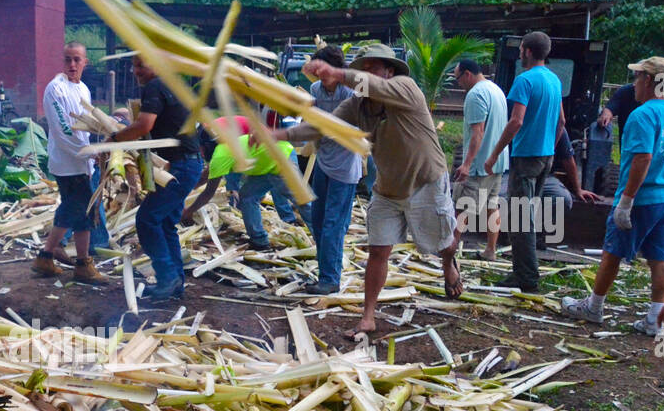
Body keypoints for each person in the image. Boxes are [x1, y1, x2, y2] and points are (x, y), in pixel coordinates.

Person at [277, 44, 462, 337]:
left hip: (425, 182)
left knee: (443, 244)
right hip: (387, 187)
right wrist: (280, 135)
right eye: (362, 67)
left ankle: (449, 264)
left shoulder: (405, 88)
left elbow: (371, 85)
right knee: (378, 251)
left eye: (372, 67)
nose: (365, 73)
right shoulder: (356, 106)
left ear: (389, 71)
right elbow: (321, 126)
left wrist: (337, 73)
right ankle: (368, 316)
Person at [560, 57, 664, 335]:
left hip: (643, 198)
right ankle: (655, 320)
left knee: (612, 253)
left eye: (637, 77)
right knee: (660, 259)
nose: (633, 84)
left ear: (649, 80)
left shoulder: (642, 115)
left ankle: (594, 307)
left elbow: (643, 158)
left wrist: (626, 200)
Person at [107, 56, 204, 301]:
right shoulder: (171, 84)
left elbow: (144, 125)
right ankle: (174, 282)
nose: (136, 70)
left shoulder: (155, 85)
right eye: (134, 65)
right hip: (187, 163)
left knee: (148, 220)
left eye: (142, 64)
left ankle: (168, 277)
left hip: (179, 166)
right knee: (164, 223)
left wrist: (115, 139)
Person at [483, 32, 565, 292]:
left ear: (528, 51)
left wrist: (495, 153)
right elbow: (561, 122)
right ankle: (523, 271)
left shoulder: (524, 80)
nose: (519, 53)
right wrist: (549, 147)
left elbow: (516, 121)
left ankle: (527, 278)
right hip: (545, 157)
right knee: (526, 215)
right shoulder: (554, 80)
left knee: (520, 218)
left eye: (521, 49)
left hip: (526, 157)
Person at [179, 115, 311, 265]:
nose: (201, 154)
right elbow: (206, 176)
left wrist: (188, 211)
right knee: (247, 197)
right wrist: (186, 190)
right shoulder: (222, 149)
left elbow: (207, 193)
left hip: (281, 158)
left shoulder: (220, 155)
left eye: (201, 149)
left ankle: (324, 238)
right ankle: (260, 242)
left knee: (302, 202)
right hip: (266, 165)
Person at [34, 42, 106, 283]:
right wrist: (88, 152)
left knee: (76, 209)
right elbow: (63, 131)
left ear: (86, 62)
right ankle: (75, 262)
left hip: (84, 162)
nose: (72, 65)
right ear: (62, 61)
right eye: (68, 60)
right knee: (80, 210)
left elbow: (86, 126)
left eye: (77, 60)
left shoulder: (83, 90)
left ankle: (50, 257)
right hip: (67, 162)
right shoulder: (56, 90)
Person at [303, 45, 362, 291]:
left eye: (323, 69)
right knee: (317, 220)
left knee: (333, 223)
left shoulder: (351, 90)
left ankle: (329, 279)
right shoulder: (315, 89)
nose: (319, 75)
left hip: (346, 164)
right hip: (324, 161)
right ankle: (325, 272)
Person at [453, 58, 508, 261]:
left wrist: (467, 164)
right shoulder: (496, 90)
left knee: (462, 207)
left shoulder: (475, 95)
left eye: (458, 79)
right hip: (498, 162)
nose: (458, 84)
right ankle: (490, 250)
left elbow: (478, 133)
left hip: (480, 164)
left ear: (467, 74)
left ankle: (449, 251)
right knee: (492, 205)